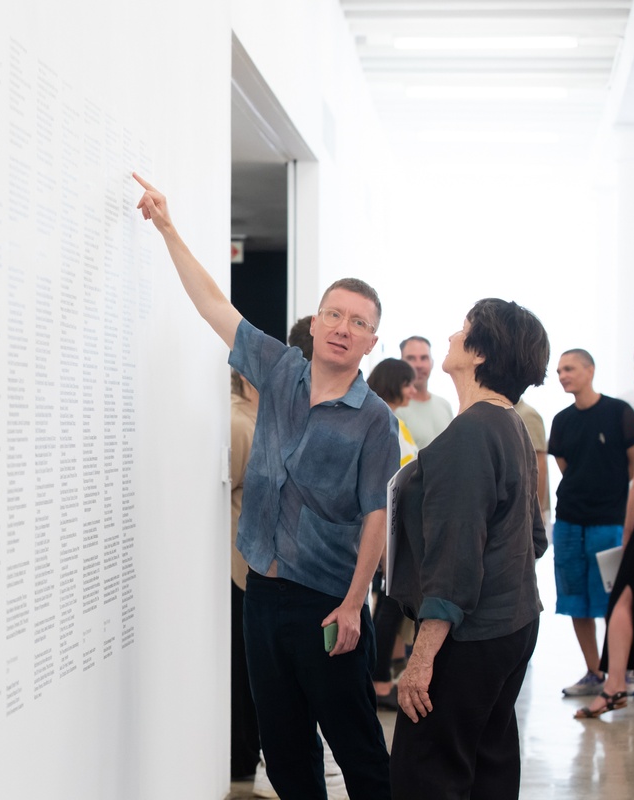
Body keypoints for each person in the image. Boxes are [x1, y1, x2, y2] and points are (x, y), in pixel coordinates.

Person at [134, 173, 398, 800]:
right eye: (332, 313)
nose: (340, 326)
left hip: (325, 603)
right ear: (315, 322)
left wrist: (355, 605)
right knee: (283, 747)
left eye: (356, 321)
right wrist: (169, 228)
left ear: (370, 341)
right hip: (261, 591)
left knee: (357, 746)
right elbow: (212, 306)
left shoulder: (374, 420)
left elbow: (376, 516)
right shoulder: (279, 371)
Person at [387, 298, 550, 800]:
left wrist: (421, 658)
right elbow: (534, 537)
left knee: (426, 773)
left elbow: (456, 558)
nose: (453, 337)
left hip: (472, 635)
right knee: (488, 766)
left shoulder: (473, 432)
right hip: (514, 624)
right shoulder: (511, 425)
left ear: (480, 353)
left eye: (463, 330)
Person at [549, 348, 634, 697]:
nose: (562, 376)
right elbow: (566, 467)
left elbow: (633, 467)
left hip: (609, 522)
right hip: (570, 521)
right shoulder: (562, 419)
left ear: (590, 370)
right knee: (576, 600)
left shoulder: (619, 412)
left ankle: (623, 672)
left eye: (569, 368)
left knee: (615, 602)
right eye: (558, 371)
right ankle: (593, 672)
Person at [575, 347, 634, 718]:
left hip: (630, 521)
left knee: (622, 599)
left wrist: (629, 529)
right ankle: (615, 682)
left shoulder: (628, 417)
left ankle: (615, 683)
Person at [365, 358, 419, 710]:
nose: (414, 390)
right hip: (388, 529)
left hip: (396, 528)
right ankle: (379, 682)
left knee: (388, 607)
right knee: (387, 608)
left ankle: (378, 678)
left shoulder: (390, 418)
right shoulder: (381, 419)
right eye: (408, 383)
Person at [229, 370, 261, 781]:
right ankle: (240, 757)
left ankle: (248, 753)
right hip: (241, 567)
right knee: (242, 670)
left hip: (259, 568)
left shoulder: (261, 417)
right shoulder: (237, 423)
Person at [396, 336, 454, 448]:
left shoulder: (444, 405)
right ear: (401, 363)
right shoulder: (394, 409)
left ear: (432, 362)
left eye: (424, 358)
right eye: (411, 358)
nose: (418, 365)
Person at [514, 397, 551, 523]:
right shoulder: (506, 413)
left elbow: (539, 462)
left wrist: (537, 509)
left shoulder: (526, 414)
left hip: (529, 509)